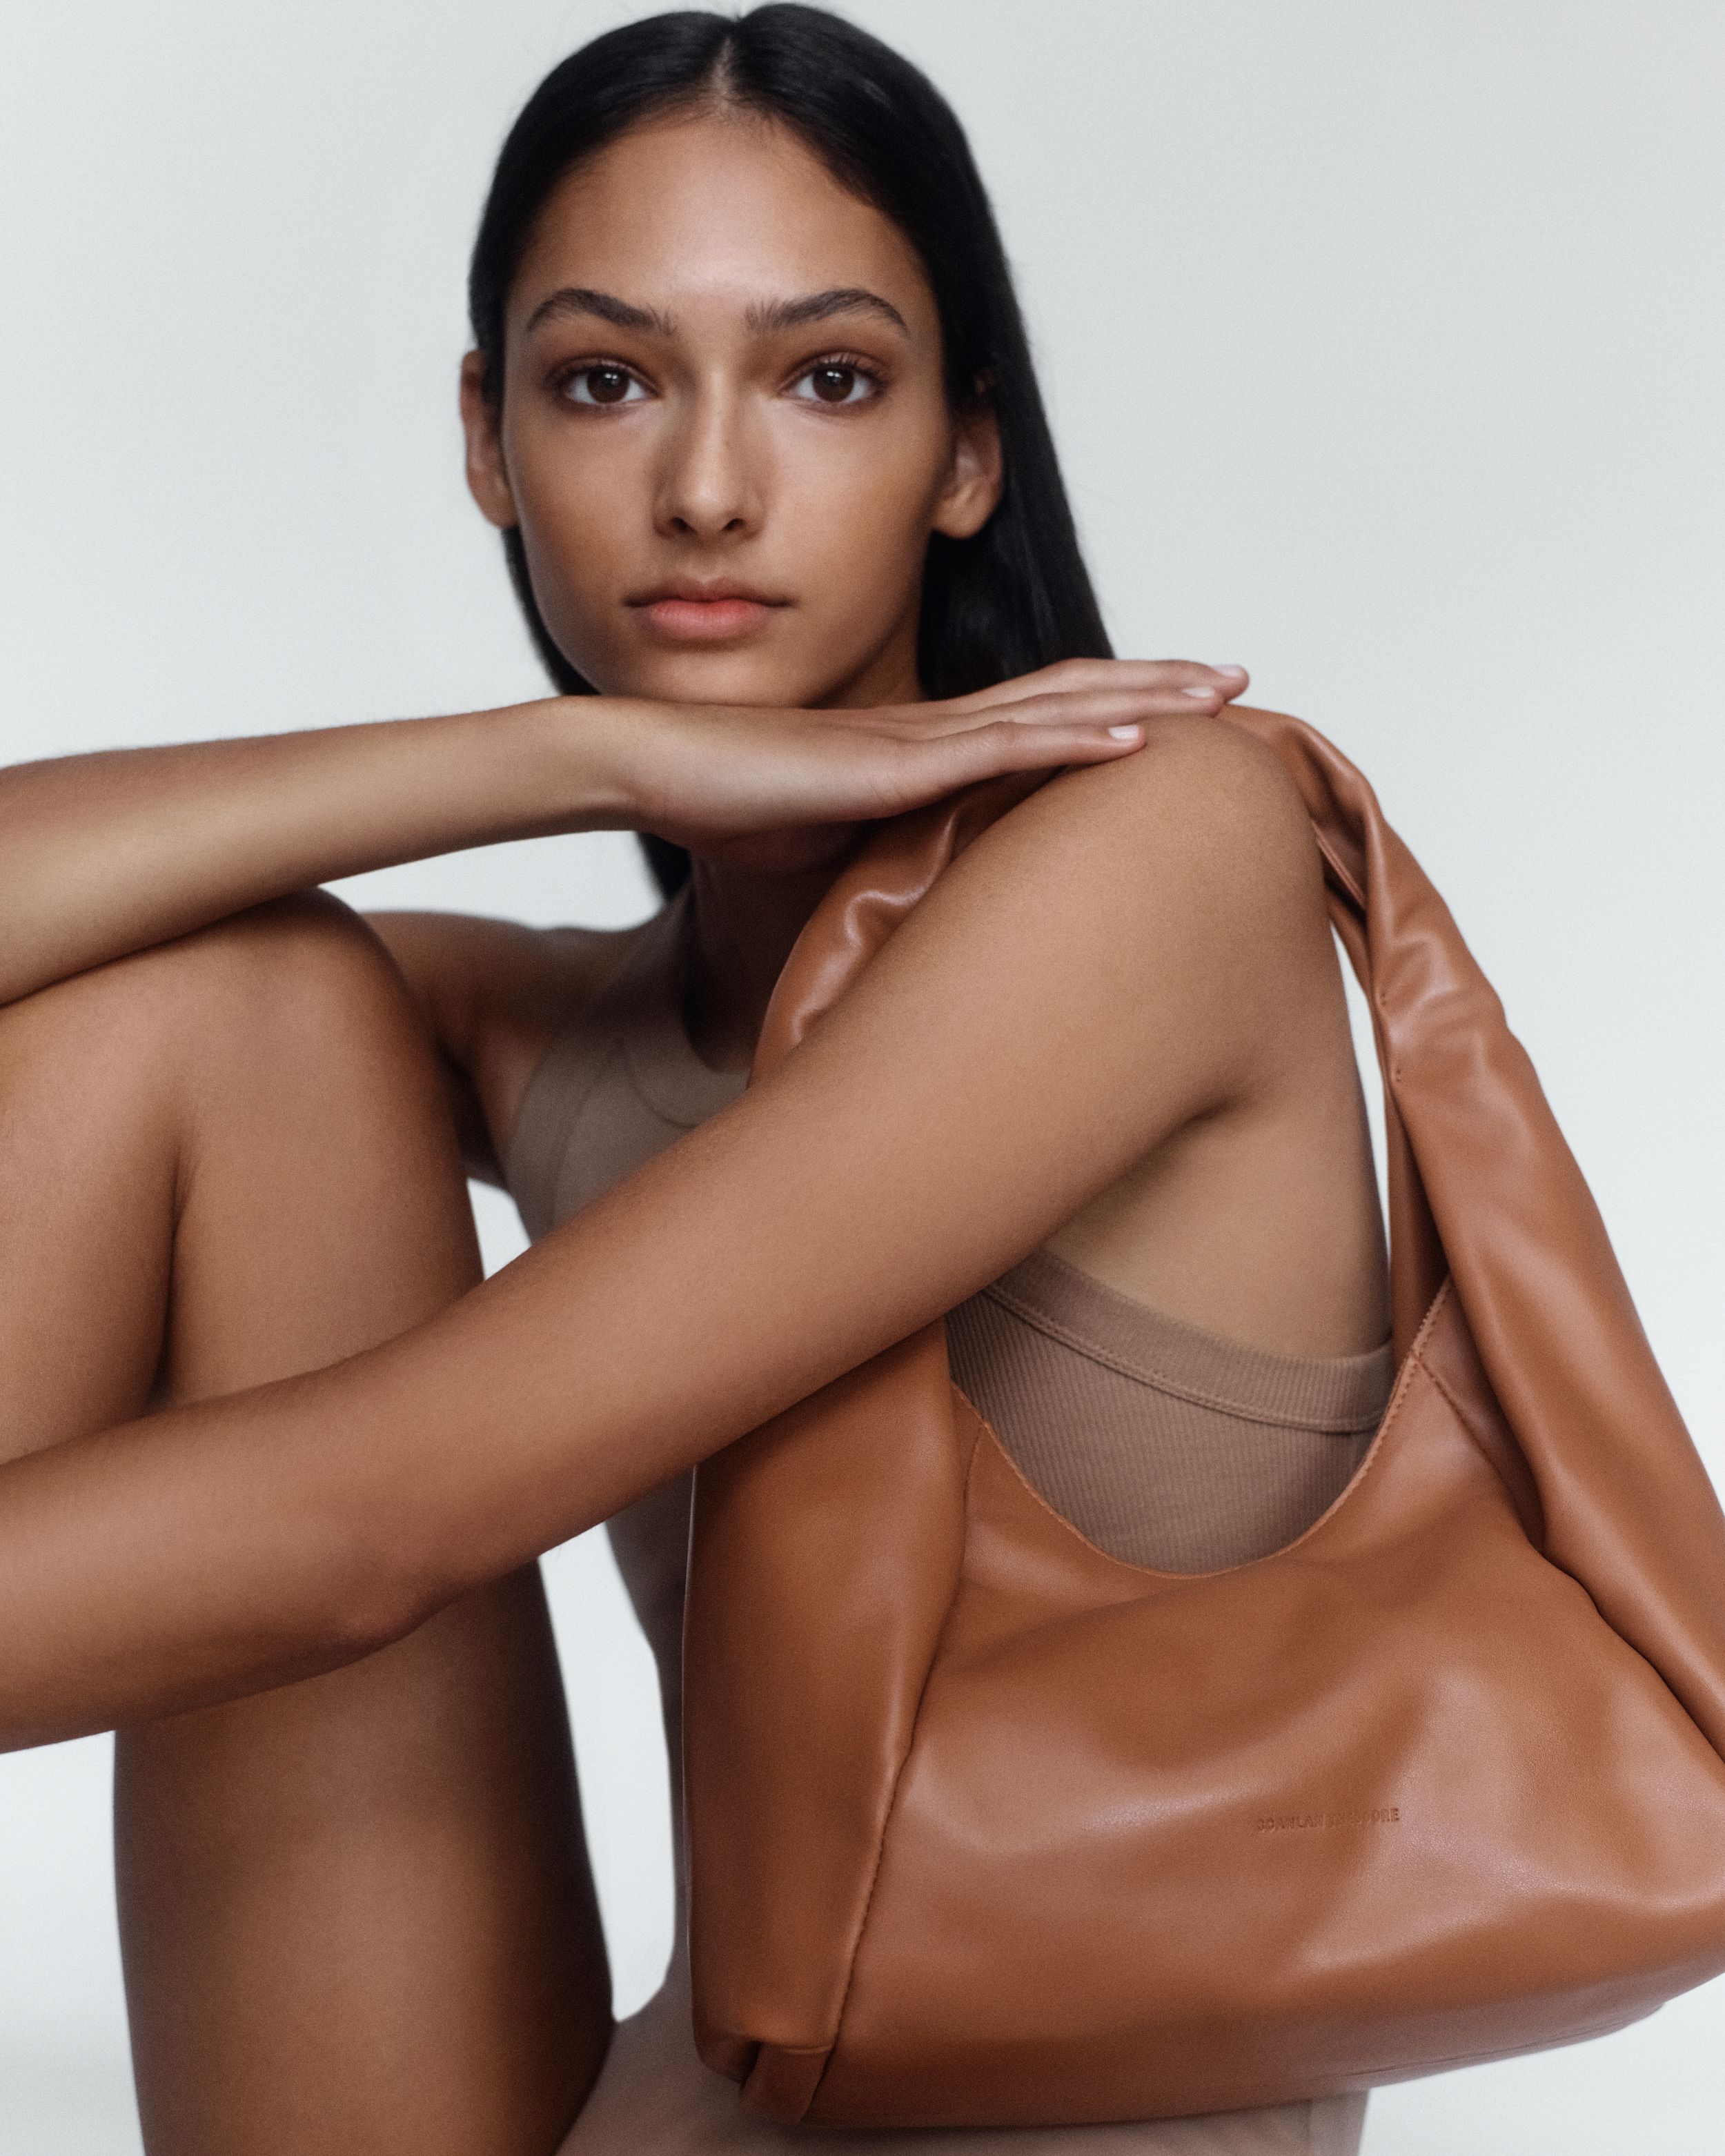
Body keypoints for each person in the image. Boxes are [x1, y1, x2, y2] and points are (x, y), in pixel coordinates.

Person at [0, 8, 1390, 2153]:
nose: (709, 488)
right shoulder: (577, 1023)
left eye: (827, 379)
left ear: (965, 454)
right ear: (488, 440)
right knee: (218, 1002)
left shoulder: (1166, 844)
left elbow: (380, 1520)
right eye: (603, 380)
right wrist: (546, 752)